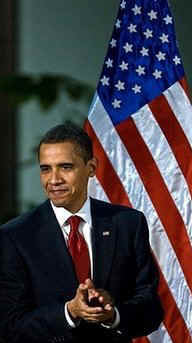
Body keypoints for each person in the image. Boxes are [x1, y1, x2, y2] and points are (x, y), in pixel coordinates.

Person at [0, 122, 164, 343]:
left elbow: (151, 310)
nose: (54, 179)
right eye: (45, 168)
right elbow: (10, 327)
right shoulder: (15, 236)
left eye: (65, 167)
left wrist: (113, 314)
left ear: (92, 168)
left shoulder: (128, 224)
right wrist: (69, 312)